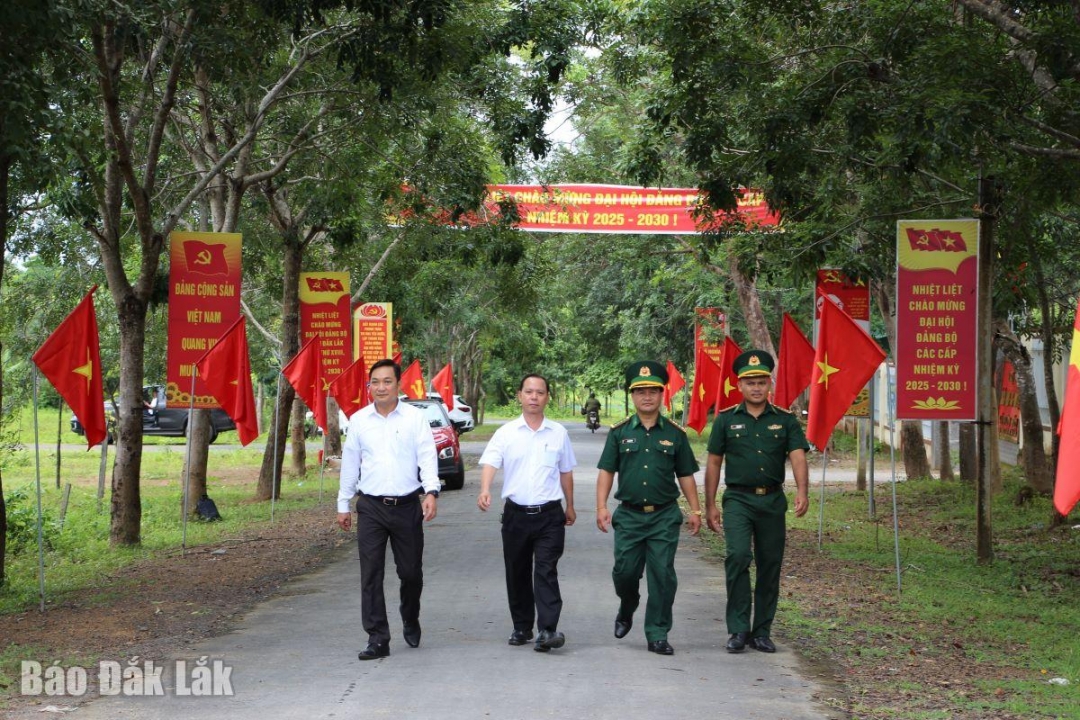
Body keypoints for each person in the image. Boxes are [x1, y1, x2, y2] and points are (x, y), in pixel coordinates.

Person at [703, 350, 810, 654]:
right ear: (740, 385)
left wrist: (802, 491)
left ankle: (762, 631)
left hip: (772, 500)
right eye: (750, 382)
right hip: (738, 499)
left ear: (769, 385)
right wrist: (710, 504)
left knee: (769, 564)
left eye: (762, 382)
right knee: (737, 557)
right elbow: (713, 463)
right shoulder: (726, 420)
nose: (756, 388)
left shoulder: (785, 420)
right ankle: (738, 629)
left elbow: (798, 456)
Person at [596, 360, 703, 656]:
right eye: (640, 391)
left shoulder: (675, 434)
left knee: (662, 575)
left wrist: (695, 510)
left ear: (662, 394)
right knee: (625, 573)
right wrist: (601, 506)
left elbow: (685, 476)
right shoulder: (619, 434)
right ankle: (627, 605)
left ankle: (657, 632)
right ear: (632, 395)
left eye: (653, 391)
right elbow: (606, 471)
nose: (647, 396)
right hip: (628, 516)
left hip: (664, 516)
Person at [337, 359, 441, 660]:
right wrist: (343, 504)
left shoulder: (414, 418)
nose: (381, 387)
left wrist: (431, 491)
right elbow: (350, 465)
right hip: (371, 507)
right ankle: (377, 637)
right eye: (375, 382)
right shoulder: (358, 421)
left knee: (410, 573)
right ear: (369, 387)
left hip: (408, 505)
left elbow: (427, 455)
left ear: (399, 385)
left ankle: (410, 615)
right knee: (370, 573)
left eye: (387, 381)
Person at [477, 374, 577, 653]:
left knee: (546, 570)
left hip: (549, 515)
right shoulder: (506, 432)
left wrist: (570, 504)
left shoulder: (558, 433)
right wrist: (485, 489)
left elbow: (566, 471)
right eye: (529, 392)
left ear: (547, 397)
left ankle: (548, 629)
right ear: (519, 396)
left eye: (540, 392)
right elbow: (490, 462)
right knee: (517, 571)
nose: (534, 397)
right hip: (516, 515)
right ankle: (522, 626)